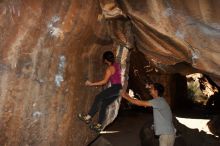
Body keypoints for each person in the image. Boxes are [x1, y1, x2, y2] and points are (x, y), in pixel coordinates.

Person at [78, 51, 122, 133]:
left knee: (98, 97)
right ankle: (99, 125)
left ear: (105, 60)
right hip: (119, 89)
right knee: (104, 104)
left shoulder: (109, 69)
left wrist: (91, 84)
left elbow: (104, 82)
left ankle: (88, 117)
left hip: (115, 88)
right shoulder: (117, 65)